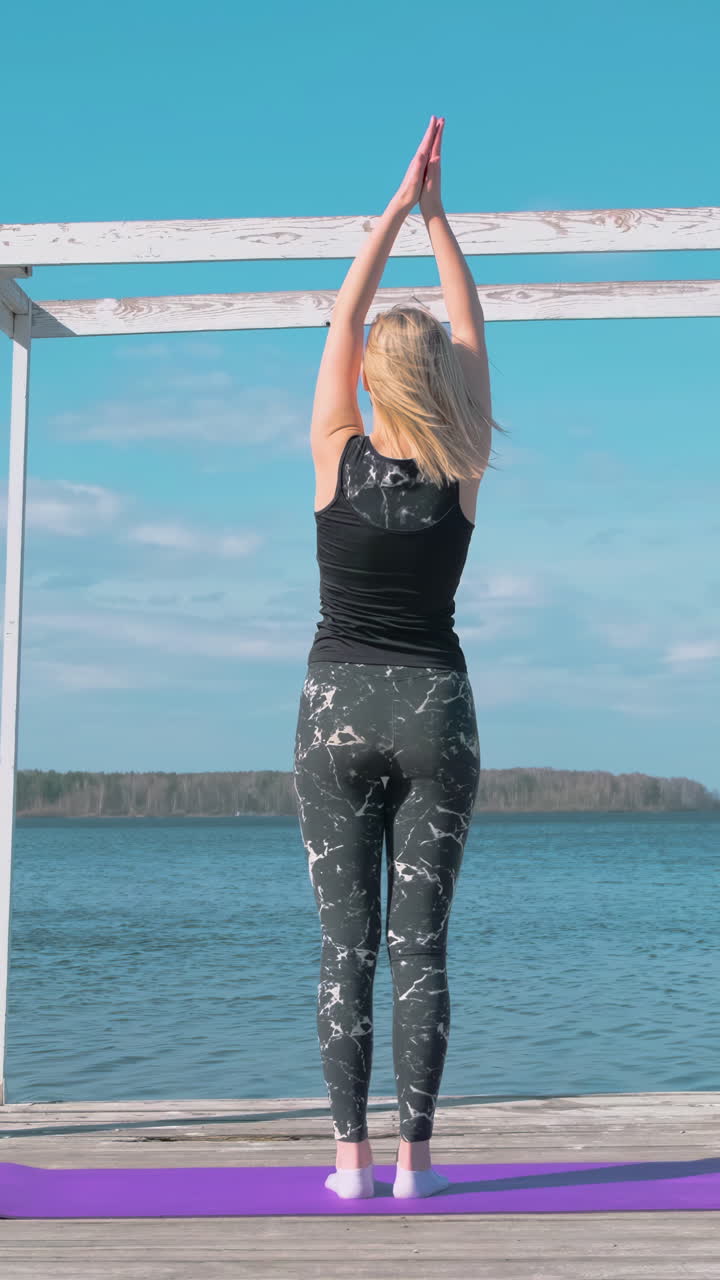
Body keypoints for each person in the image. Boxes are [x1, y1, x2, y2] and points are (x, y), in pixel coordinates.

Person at [293, 115, 506, 1200]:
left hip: (335, 711)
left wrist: (395, 208)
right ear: (444, 384)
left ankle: (350, 1163)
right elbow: (470, 322)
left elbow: (342, 314)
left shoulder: (335, 451)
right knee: (421, 946)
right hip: (434, 709)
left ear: (373, 379)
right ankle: (417, 1163)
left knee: (349, 950)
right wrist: (439, 220)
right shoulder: (463, 458)